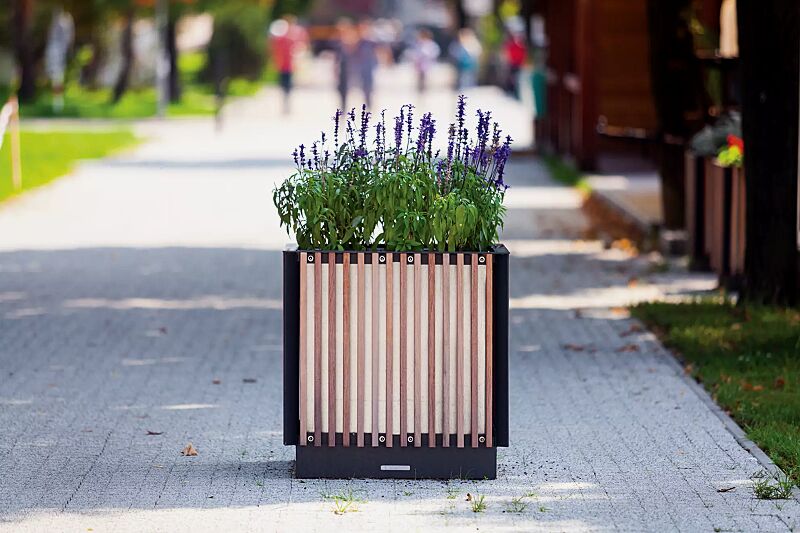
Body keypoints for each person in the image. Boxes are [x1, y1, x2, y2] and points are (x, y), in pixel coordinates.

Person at [269, 15, 307, 114]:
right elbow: (275, 47)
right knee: (283, 84)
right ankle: (285, 102)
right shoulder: (281, 34)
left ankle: (287, 102)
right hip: (283, 64)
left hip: (291, 64)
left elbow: (301, 46)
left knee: (289, 84)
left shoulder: (297, 33)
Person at [353, 19, 379, 109]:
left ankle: (369, 105)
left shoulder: (371, 41)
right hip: (361, 67)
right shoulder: (359, 41)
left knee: (369, 87)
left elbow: (377, 52)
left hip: (369, 67)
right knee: (362, 87)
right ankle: (366, 104)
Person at [410, 28, 440, 94]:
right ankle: (420, 90)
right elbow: (414, 53)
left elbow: (434, 53)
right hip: (419, 64)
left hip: (427, 64)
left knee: (427, 77)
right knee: (420, 78)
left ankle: (426, 90)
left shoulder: (431, 44)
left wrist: (427, 55)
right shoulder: (418, 44)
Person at [503, 30, 526, 99]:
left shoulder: (514, 46)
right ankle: (512, 91)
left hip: (515, 64)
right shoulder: (517, 46)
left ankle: (513, 91)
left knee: (513, 78)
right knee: (514, 78)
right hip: (515, 64)